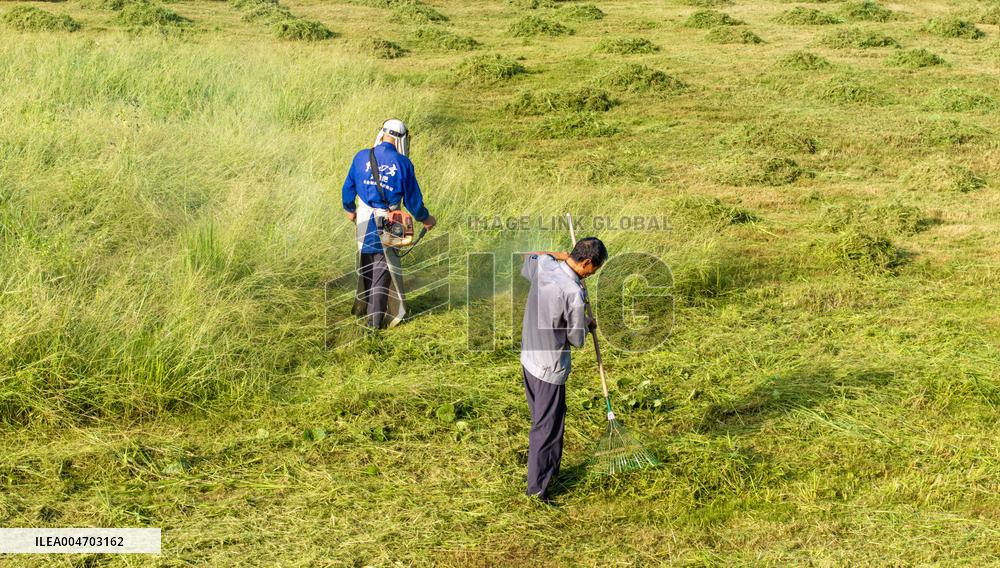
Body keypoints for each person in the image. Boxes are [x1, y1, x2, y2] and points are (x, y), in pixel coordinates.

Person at [519, 237, 608, 502]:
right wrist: (587, 323)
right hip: (549, 367)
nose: (591, 275)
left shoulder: (545, 265)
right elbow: (576, 339)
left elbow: (529, 254)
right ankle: (538, 491)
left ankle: (551, 470)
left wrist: (558, 255)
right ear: (587, 263)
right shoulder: (573, 293)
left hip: (529, 357)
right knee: (545, 427)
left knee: (550, 419)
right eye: (594, 270)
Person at [342, 119, 436, 329]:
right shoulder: (403, 163)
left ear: (382, 134)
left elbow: (348, 187)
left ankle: (363, 308)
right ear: (402, 139)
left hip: (364, 217)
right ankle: (373, 324)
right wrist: (426, 219)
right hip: (388, 220)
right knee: (382, 268)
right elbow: (413, 202)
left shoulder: (361, 156)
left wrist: (349, 209)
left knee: (367, 262)